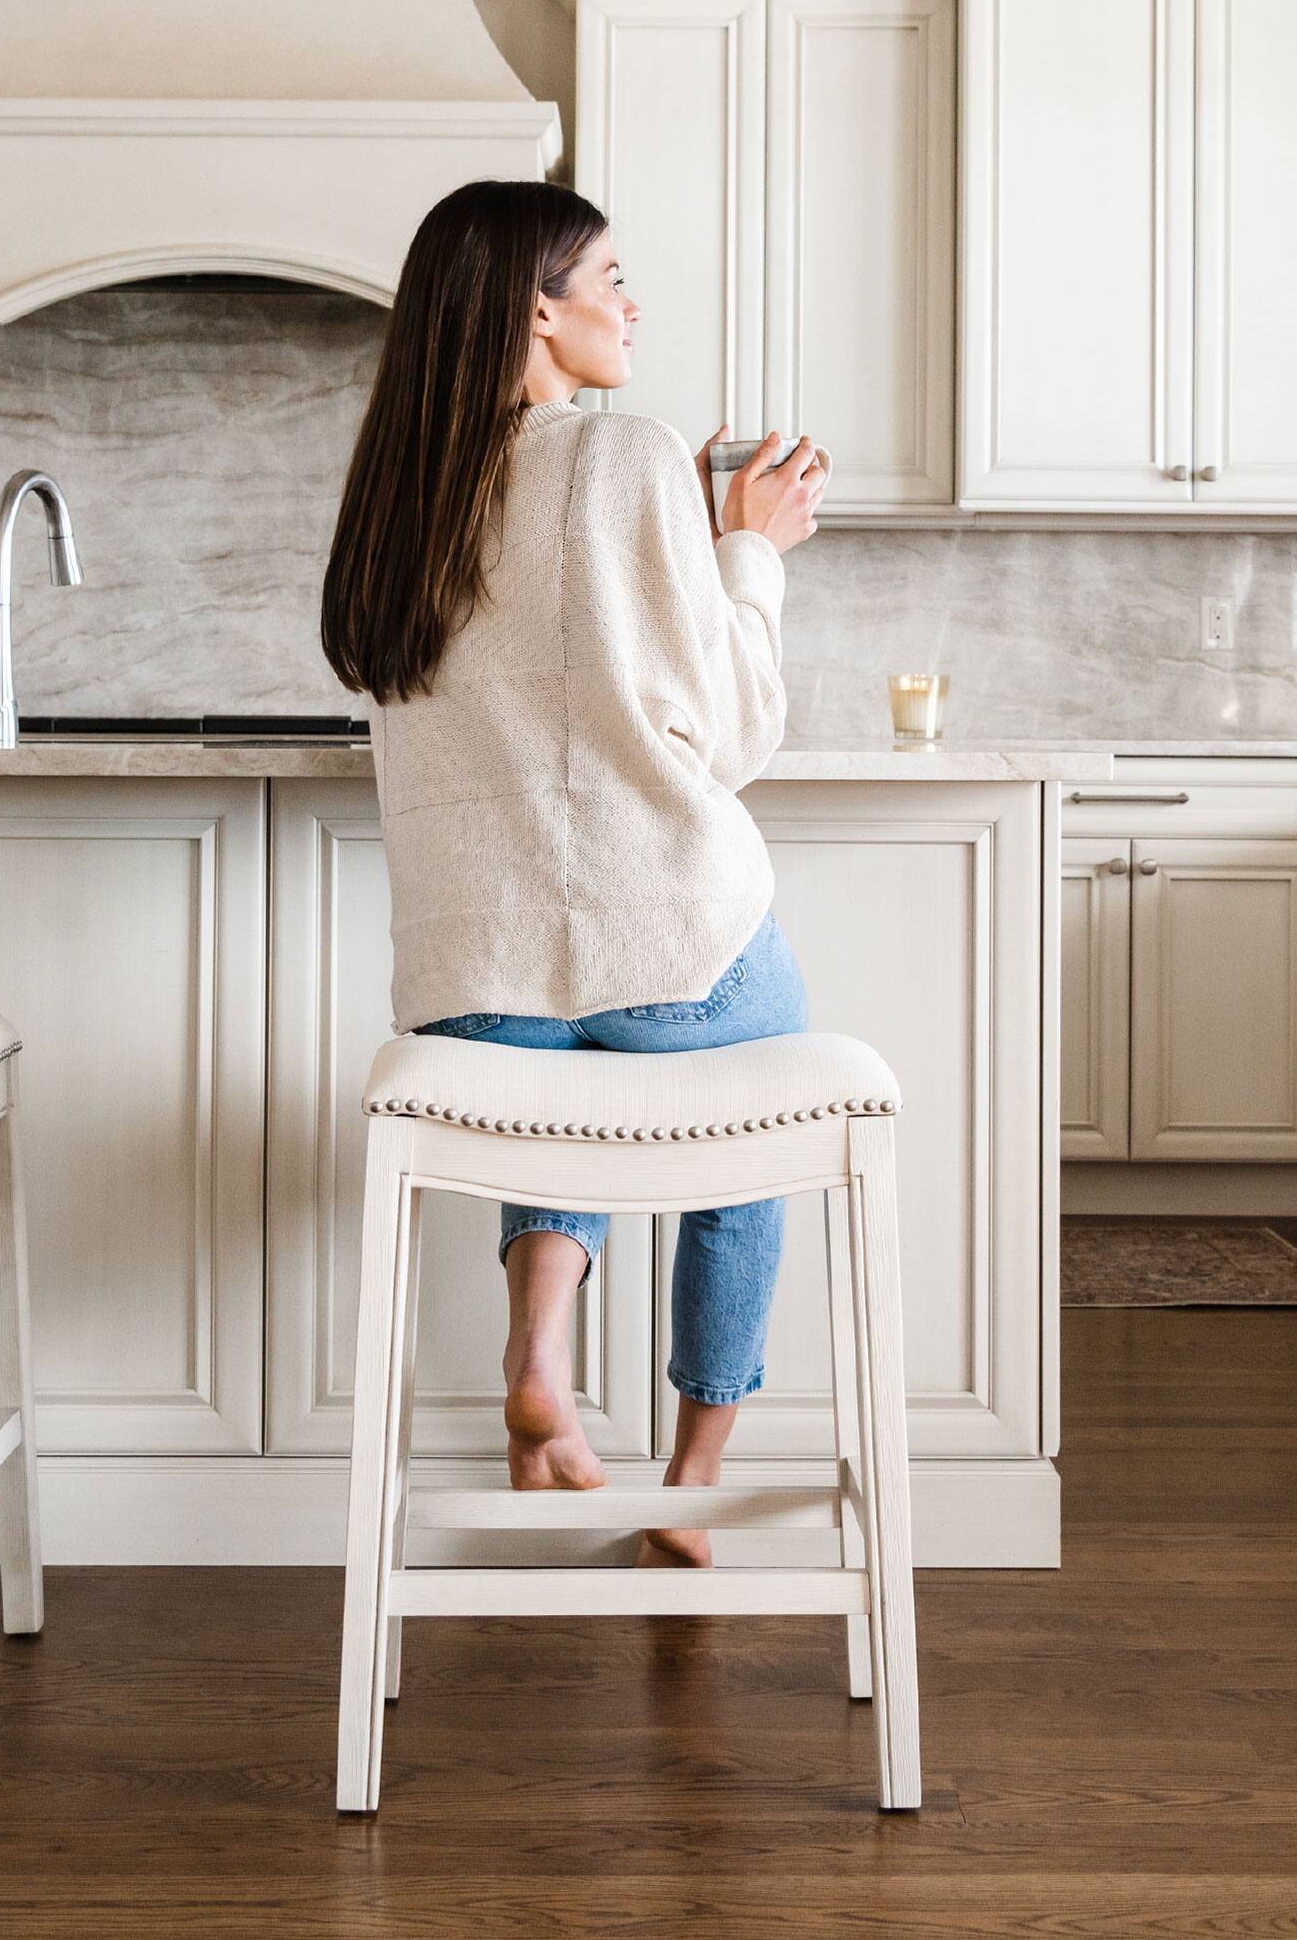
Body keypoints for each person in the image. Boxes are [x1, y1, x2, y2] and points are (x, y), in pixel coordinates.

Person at [321, 179, 826, 1568]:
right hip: (673, 940)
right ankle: (690, 1489)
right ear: (537, 307)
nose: (629, 302)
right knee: (744, 1160)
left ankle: (537, 1354)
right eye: (609, 276)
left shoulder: (399, 495)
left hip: (470, 980)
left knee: (559, 1095)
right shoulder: (624, 456)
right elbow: (730, 728)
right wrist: (750, 550)